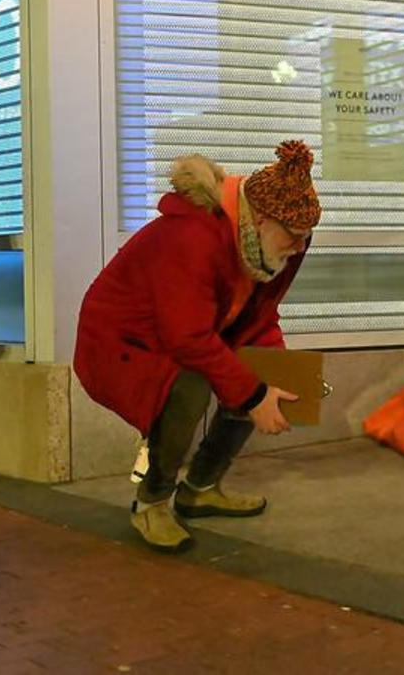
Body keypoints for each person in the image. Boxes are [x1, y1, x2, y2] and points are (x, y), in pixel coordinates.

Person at [74, 140, 321, 552]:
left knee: (257, 373)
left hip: (185, 335)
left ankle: (200, 488)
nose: (298, 247)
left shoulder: (274, 247)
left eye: (305, 237)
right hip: (122, 341)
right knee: (189, 386)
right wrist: (254, 394)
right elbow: (186, 337)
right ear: (259, 219)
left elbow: (259, 318)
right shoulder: (192, 237)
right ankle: (151, 503)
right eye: (292, 236)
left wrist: (276, 373)